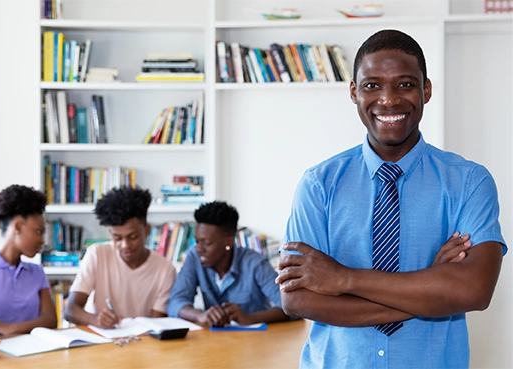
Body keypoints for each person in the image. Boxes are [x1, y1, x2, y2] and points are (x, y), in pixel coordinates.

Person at [275, 29, 507, 368]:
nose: (388, 99)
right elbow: (295, 300)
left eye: (405, 84)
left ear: (426, 90)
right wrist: (431, 288)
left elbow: (474, 291)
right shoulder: (318, 184)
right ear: (354, 92)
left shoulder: (469, 182)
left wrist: (343, 279)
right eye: (371, 85)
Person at [64, 186, 176, 329]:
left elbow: (157, 325)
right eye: (117, 238)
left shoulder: (165, 270)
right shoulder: (97, 254)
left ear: (147, 230)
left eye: (133, 237)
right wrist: (95, 319)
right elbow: (70, 310)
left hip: (141, 343)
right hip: (101, 341)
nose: (125, 245)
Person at [167, 201, 289, 327]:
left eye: (207, 243)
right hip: (214, 341)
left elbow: (289, 307)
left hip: (254, 341)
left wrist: (249, 318)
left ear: (228, 242)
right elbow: (175, 303)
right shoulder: (195, 257)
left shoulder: (255, 263)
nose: (199, 248)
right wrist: (200, 315)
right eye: (197, 241)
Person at [0, 185, 57, 359]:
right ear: (17, 226)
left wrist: (9, 327)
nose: (42, 241)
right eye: (38, 232)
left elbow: (50, 319)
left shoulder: (36, 271)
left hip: (38, 353)